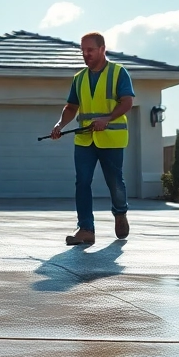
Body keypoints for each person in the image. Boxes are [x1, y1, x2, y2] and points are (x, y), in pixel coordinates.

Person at [50, 31, 135, 245]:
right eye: (83, 51)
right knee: (82, 182)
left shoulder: (118, 73)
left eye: (90, 50)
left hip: (112, 138)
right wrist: (60, 124)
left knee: (115, 182)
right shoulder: (79, 79)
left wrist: (107, 118)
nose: (85, 54)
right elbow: (71, 107)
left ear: (102, 49)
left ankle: (120, 213)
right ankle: (86, 229)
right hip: (85, 140)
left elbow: (126, 102)